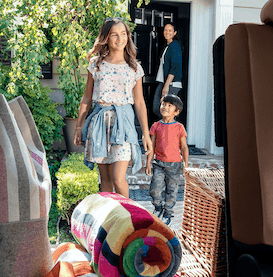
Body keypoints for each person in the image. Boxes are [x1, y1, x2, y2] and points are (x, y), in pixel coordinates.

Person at [74, 17, 153, 199]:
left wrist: (146, 134)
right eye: (114, 35)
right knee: (106, 180)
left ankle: (127, 217)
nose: (120, 39)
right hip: (100, 123)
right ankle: (108, 220)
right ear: (106, 38)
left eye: (123, 34)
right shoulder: (96, 64)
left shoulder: (134, 67)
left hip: (123, 124)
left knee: (119, 178)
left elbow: (139, 102)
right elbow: (87, 97)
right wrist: (79, 126)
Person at [145, 94, 188, 224]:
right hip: (158, 163)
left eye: (169, 105)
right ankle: (158, 207)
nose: (165, 107)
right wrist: (148, 163)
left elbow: (184, 147)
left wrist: (185, 164)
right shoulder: (156, 126)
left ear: (176, 112)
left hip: (175, 165)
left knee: (172, 190)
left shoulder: (179, 127)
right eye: (163, 104)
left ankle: (168, 213)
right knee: (155, 189)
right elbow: (151, 146)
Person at [153, 23, 183, 117]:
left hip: (171, 83)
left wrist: (166, 85)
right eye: (165, 30)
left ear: (175, 33)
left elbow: (175, 67)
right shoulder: (168, 46)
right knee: (158, 109)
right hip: (164, 82)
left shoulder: (175, 46)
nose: (167, 32)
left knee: (166, 112)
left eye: (170, 30)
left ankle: (170, 130)